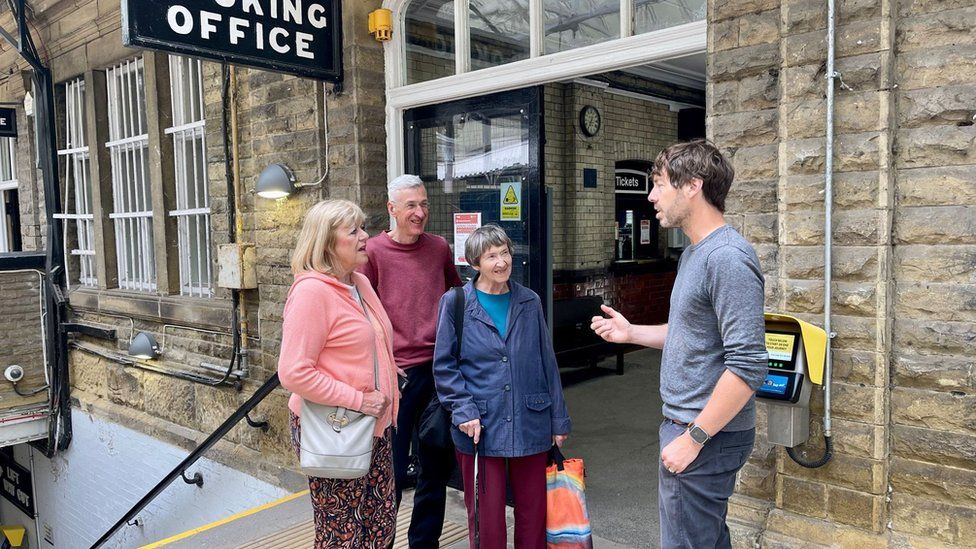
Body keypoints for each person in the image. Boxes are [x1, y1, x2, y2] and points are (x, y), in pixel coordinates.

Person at [591, 140, 768, 549]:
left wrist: (694, 439)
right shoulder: (695, 254)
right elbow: (691, 333)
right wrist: (632, 333)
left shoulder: (727, 257)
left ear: (692, 185)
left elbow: (748, 364)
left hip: (704, 435)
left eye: (658, 184)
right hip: (689, 428)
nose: (651, 196)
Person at [433, 224, 572, 549]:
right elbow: (444, 365)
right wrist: (463, 409)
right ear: (475, 263)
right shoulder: (455, 303)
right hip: (480, 425)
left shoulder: (529, 301)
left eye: (504, 252)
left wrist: (559, 419)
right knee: (486, 517)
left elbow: (546, 361)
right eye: (491, 255)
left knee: (534, 512)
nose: (501, 261)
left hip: (531, 418)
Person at [278, 199, 400, 549]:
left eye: (362, 227)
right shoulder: (312, 293)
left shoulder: (359, 282)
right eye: (354, 231)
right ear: (328, 243)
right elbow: (294, 372)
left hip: (375, 424)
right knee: (341, 533)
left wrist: (389, 373)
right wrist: (360, 399)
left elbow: (366, 342)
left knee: (379, 525)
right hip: (335, 427)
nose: (365, 236)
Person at [358, 174, 463, 547]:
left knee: (434, 469)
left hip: (438, 374)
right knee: (392, 473)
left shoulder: (438, 248)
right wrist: (381, 362)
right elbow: (360, 314)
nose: (420, 213)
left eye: (424, 205)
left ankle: (424, 543)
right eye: (411, 206)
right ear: (392, 209)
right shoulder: (371, 252)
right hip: (396, 378)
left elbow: (457, 294)